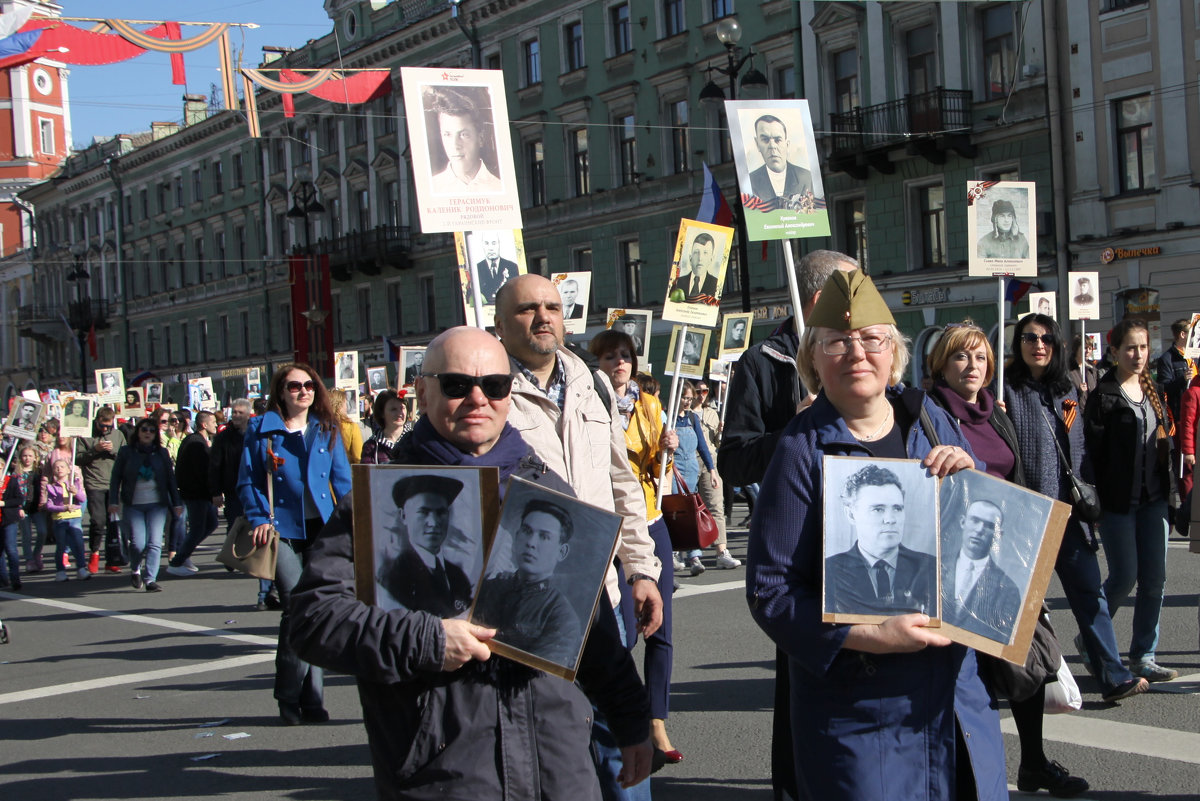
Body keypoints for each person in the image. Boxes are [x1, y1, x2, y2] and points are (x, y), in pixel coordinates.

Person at [289, 326, 652, 800]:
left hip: (558, 766)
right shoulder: (376, 499)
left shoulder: (546, 488)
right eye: (457, 385)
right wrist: (425, 639)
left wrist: (630, 719)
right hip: (447, 770)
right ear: (422, 390)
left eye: (495, 386)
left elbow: (591, 624)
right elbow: (313, 619)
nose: (478, 399)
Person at [747, 268, 1004, 801]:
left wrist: (968, 473)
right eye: (837, 342)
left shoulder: (930, 419)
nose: (857, 353)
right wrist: (869, 637)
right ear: (813, 360)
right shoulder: (800, 451)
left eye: (871, 339)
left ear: (894, 354)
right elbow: (770, 593)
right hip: (858, 707)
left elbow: (975, 534)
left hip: (955, 700)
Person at [495, 274, 662, 799]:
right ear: (501, 323)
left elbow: (622, 482)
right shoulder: (490, 388)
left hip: (600, 588)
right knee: (547, 740)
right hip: (527, 597)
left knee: (622, 734)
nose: (543, 316)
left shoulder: (587, 380)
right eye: (527, 309)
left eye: (551, 306)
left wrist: (639, 568)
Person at [925, 320, 1089, 797]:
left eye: (979, 357)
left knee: (1029, 658)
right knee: (966, 672)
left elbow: (1015, 475)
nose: (971, 365)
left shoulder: (994, 414)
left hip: (1005, 551)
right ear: (941, 364)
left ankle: (1034, 762)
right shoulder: (927, 413)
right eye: (960, 356)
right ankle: (964, 773)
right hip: (955, 554)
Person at [717, 249, 857, 801]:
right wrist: (795, 429)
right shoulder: (763, 363)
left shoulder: (860, 355)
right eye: (854, 287)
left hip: (862, 532)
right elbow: (736, 459)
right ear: (820, 300)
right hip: (802, 549)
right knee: (804, 684)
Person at [1004, 313, 1150, 702]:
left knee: (1090, 594)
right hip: (1026, 512)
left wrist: (1089, 500)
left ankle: (1112, 676)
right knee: (1022, 604)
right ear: (1018, 344)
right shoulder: (1006, 390)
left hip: (1067, 514)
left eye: (1047, 339)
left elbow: (1080, 448)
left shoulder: (1066, 389)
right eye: (1030, 338)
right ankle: (1010, 678)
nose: (1039, 345)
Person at [238, 362, 352, 725]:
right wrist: (258, 518)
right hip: (280, 530)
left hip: (322, 528)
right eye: (294, 387)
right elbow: (248, 481)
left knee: (315, 611)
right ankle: (290, 696)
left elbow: (343, 482)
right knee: (296, 609)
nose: (303, 391)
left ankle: (312, 699)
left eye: (308, 386)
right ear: (280, 393)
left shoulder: (327, 429)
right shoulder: (262, 429)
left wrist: (355, 522)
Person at [588, 327, 682, 764]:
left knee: (661, 629)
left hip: (651, 519)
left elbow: (657, 469)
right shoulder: (591, 406)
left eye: (625, 356)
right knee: (623, 627)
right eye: (610, 357)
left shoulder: (650, 406)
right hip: (611, 526)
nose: (619, 363)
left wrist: (669, 447)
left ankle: (657, 721)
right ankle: (621, 716)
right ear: (598, 365)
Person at [1083, 318, 1177, 682]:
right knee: (1124, 576)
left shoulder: (1153, 388)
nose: (1138, 355)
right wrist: (1093, 503)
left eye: (1142, 347)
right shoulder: (1104, 396)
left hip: (1154, 499)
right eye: (1130, 348)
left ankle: (1143, 655)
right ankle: (1093, 638)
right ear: (1114, 352)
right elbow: (1091, 454)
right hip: (1118, 502)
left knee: (1155, 579)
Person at [473, 499, 583, 666]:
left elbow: (542, 680)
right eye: (526, 531)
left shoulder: (561, 616)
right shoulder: (488, 589)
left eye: (544, 537)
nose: (531, 543)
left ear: (562, 552)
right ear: (517, 536)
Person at [824, 464, 937, 614]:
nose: (890, 519)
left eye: (897, 508)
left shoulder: (931, 568)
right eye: (878, 509)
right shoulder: (829, 571)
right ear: (851, 514)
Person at [376, 474, 473, 617]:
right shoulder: (392, 576)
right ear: (403, 516)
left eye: (441, 513)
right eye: (423, 512)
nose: (433, 523)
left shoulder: (457, 576)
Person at [109, 417, 182, 593]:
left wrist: (177, 502)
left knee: (155, 542)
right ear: (138, 433)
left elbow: (170, 479)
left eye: (151, 430)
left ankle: (150, 579)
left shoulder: (161, 453)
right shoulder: (126, 452)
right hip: (133, 504)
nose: (148, 433)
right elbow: (115, 477)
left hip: (157, 504)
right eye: (144, 430)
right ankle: (135, 568)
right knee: (138, 544)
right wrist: (113, 501)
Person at [671, 381, 720, 577]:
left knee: (691, 512)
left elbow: (702, 446)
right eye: (684, 398)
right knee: (675, 512)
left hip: (691, 468)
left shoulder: (692, 418)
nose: (687, 402)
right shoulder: (668, 417)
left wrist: (712, 470)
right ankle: (675, 552)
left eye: (690, 399)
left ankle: (694, 556)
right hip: (674, 469)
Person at [164, 411, 219, 577]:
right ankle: (177, 561)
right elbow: (201, 472)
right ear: (204, 424)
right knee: (197, 528)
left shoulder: (199, 441)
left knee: (211, 524)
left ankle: (184, 553)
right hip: (196, 494)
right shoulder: (196, 443)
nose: (216, 425)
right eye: (213, 422)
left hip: (200, 493)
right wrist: (213, 492)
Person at [691, 382, 738, 569]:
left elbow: (717, 444)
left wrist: (720, 432)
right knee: (690, 509)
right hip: (690, 459)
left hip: (710, 461)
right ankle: (691, 553)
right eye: (698, 391)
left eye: (705, 391)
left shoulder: (711, 412)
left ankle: (721, 551)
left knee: (716, 506)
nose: (702, 395)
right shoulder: (685, 413)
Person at [76, 407, 128, 574]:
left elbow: (125, 456)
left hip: (114, 483)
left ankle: (112, 558)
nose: (105, 429)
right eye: (102, 426)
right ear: (96, 421)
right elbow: (77, 458)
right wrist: (95, 450)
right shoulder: (85, 433)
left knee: (114, 522)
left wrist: (112, 450)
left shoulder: (118, 435)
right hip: (95, 483)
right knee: (98, 521)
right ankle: (95, 552)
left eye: (109, 426)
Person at [427, 88, 502, 195]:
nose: (455, 145)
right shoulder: (432, 189)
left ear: (480, 138)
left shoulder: (499, 188)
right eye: (447, 134)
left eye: (463, 135)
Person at [747, 115, 814, 204]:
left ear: (787, 144)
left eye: (778, 140)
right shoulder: (750, 182)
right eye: (765, 140)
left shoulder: (805, 177)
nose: (772, 146)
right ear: (757, 144)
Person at [44, 458, 90, 583]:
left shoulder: (74, 483)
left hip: (74, 518)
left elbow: (82, 499)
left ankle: (81, 568)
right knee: (61, 546)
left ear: (69, 470)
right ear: (53, 471)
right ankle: (60, 571)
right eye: (57, 467)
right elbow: (49, 506)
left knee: (78, 543)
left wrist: (75, 493)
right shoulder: (51, 487)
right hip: (60, 520)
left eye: (62, 467)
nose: (59, 469)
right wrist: (63, 508)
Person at [9, 444, 45, 575]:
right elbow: (13, 492)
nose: (27, 458)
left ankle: (36, 555)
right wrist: (18, 507)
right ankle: (29, 560)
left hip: (36, 507)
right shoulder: (16, 473)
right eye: (24, 456)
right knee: (27, 535)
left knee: (42, 531)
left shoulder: (39, 471)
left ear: (35, 458)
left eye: (30, 456)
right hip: (23, 508)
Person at [361, 389, 412, 465]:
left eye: (402, 408)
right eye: (393, 409)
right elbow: (367, 475)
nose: (400, 413)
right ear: (382, 413)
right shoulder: (371, 446)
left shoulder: (415, 441)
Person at [670, 233, 719, 304]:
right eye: (696, 252)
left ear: (711, 259)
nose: (700, 258)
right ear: (690, 258)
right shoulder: (678, 283)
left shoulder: (716, 284)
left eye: (705, 253)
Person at [475, 231, 518, 304]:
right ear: (482, 245)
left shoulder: (512, 267)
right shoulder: (475, 269)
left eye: (494, 243)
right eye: (486, 243)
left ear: (499, 244)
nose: (490, 248)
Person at [329, 388, 363, 465]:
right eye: (345, 403)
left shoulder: (321, 426)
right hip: (346, 471)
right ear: (339, 405)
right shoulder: (352, 427)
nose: (346, 406)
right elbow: (358, 457)